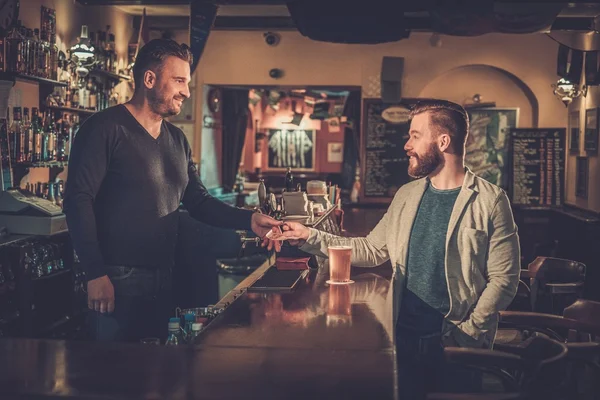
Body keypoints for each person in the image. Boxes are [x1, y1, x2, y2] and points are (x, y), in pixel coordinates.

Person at [280, 99, 520, 396]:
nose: (407, 145)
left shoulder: (490, 200)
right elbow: (371, 248)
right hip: (402, 335)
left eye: (415, 136)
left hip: (456, 342)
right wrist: (308, 235)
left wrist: (469, 332)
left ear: (443, 141)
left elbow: (504, 279)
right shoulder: (407, 195)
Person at [64, 39, 281, 342]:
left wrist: (249, 220)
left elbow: (199, 201)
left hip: (166, 276)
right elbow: (77, 201)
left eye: (187, 82)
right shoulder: (104, 128)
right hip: (116, 278)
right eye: (179, 80)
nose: (187, 92)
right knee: (112, 379)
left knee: (159, 376)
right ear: (149, 79)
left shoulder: (177, 139)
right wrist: (95, 274)